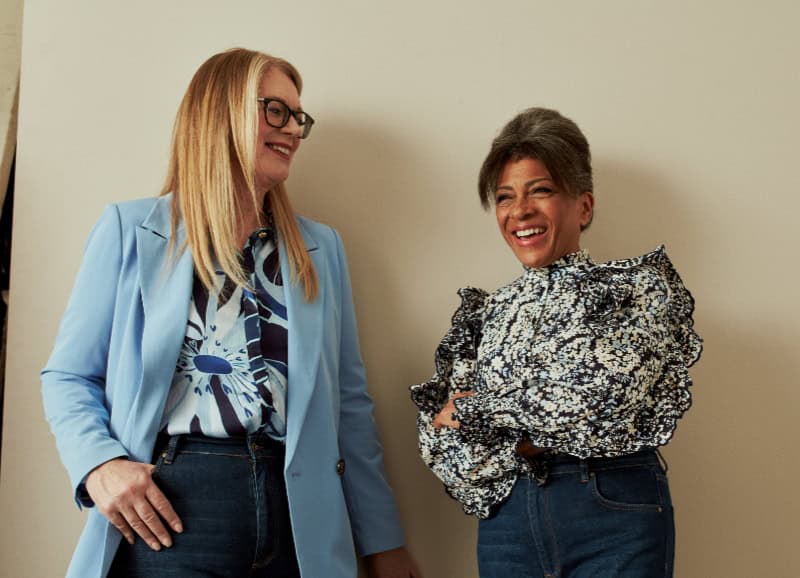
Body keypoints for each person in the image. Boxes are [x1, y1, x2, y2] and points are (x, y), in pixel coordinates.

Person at [42, 47, 419, 578]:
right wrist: (99, 465)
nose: (292, 130)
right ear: (221, 112)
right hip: (175, 506)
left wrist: (382, 540)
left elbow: (348, 405)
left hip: (299, 509)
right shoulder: (133, 232)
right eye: (276, 111)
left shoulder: (320, 249)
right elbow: (68, 374)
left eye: (298, 118)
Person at [411, 107, 702, 577]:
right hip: (508, 524)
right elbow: (447, 454)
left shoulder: (636, 292)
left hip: (613, 514)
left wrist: (477, 412)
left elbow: (599, 395)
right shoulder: (483, 315)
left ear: (583, 205)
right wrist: (524, 417)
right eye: (504, 197)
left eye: (539, 190)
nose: (519, 211)